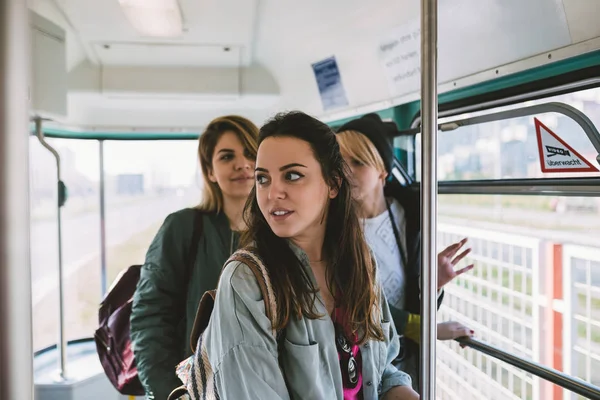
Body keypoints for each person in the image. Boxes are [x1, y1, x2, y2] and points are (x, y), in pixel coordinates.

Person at [204, 111, 420, 399]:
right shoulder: (247, 280)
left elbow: (383, 370)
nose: (273, 193)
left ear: (332, 184)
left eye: (292, 176)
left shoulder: (360, 262)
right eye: (263, 179)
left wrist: (401, 391)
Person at [336, 114, 474, 391]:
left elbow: (410, 296)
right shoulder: (332, 228)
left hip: (402, 358)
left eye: (358, 162)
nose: (346, 171)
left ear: (382, 172)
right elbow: (351, 301)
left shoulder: (409, 218)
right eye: (339, 162)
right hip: (354, 361)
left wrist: (432, 284)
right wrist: (423, 329)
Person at [130, 115, 259, 400]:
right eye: (227, 156)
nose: (242, 164)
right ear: (210, 171)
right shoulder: (183, 227)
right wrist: (171, 392)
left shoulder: (281, 232)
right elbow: (150, 316)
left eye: (251, 153)